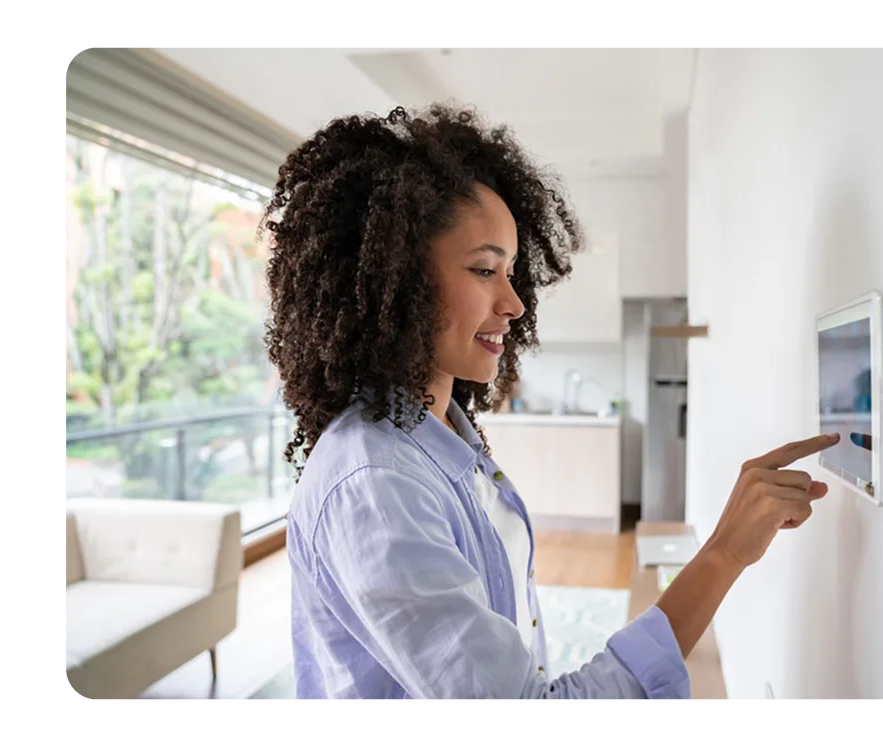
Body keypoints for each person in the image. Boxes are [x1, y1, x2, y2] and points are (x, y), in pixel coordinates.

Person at [261, 104, 839, 702]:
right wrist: (722, 554)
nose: (513, 303)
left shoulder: (444, 437)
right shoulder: (376, 483)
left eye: (511, 272)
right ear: (395, 277)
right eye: (485, 269)